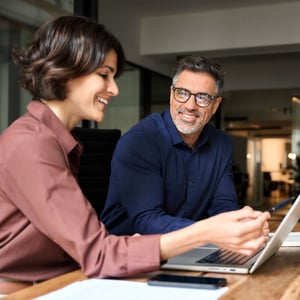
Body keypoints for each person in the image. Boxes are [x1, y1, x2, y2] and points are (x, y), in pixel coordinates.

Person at [0, 15, 270, 295]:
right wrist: (209, 231)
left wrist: (228, 228)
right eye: (104, 75)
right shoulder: (32, 144)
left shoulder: (59, 142)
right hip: (27, 290)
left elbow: (89, 247)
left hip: (70, 278)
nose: (115, 89)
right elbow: (99, 253)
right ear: (65, 71)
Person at [101, 55, 241, 235]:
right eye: (182, 93)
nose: (190, 105)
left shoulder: (222, 144)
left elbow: (224, 206)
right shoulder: (140, 142)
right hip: (129, 251)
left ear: (215, 105)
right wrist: (209, 231)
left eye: (203, 97)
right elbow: (147, 221)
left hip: (189, 247)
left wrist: (238, 224)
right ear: (171, 95)